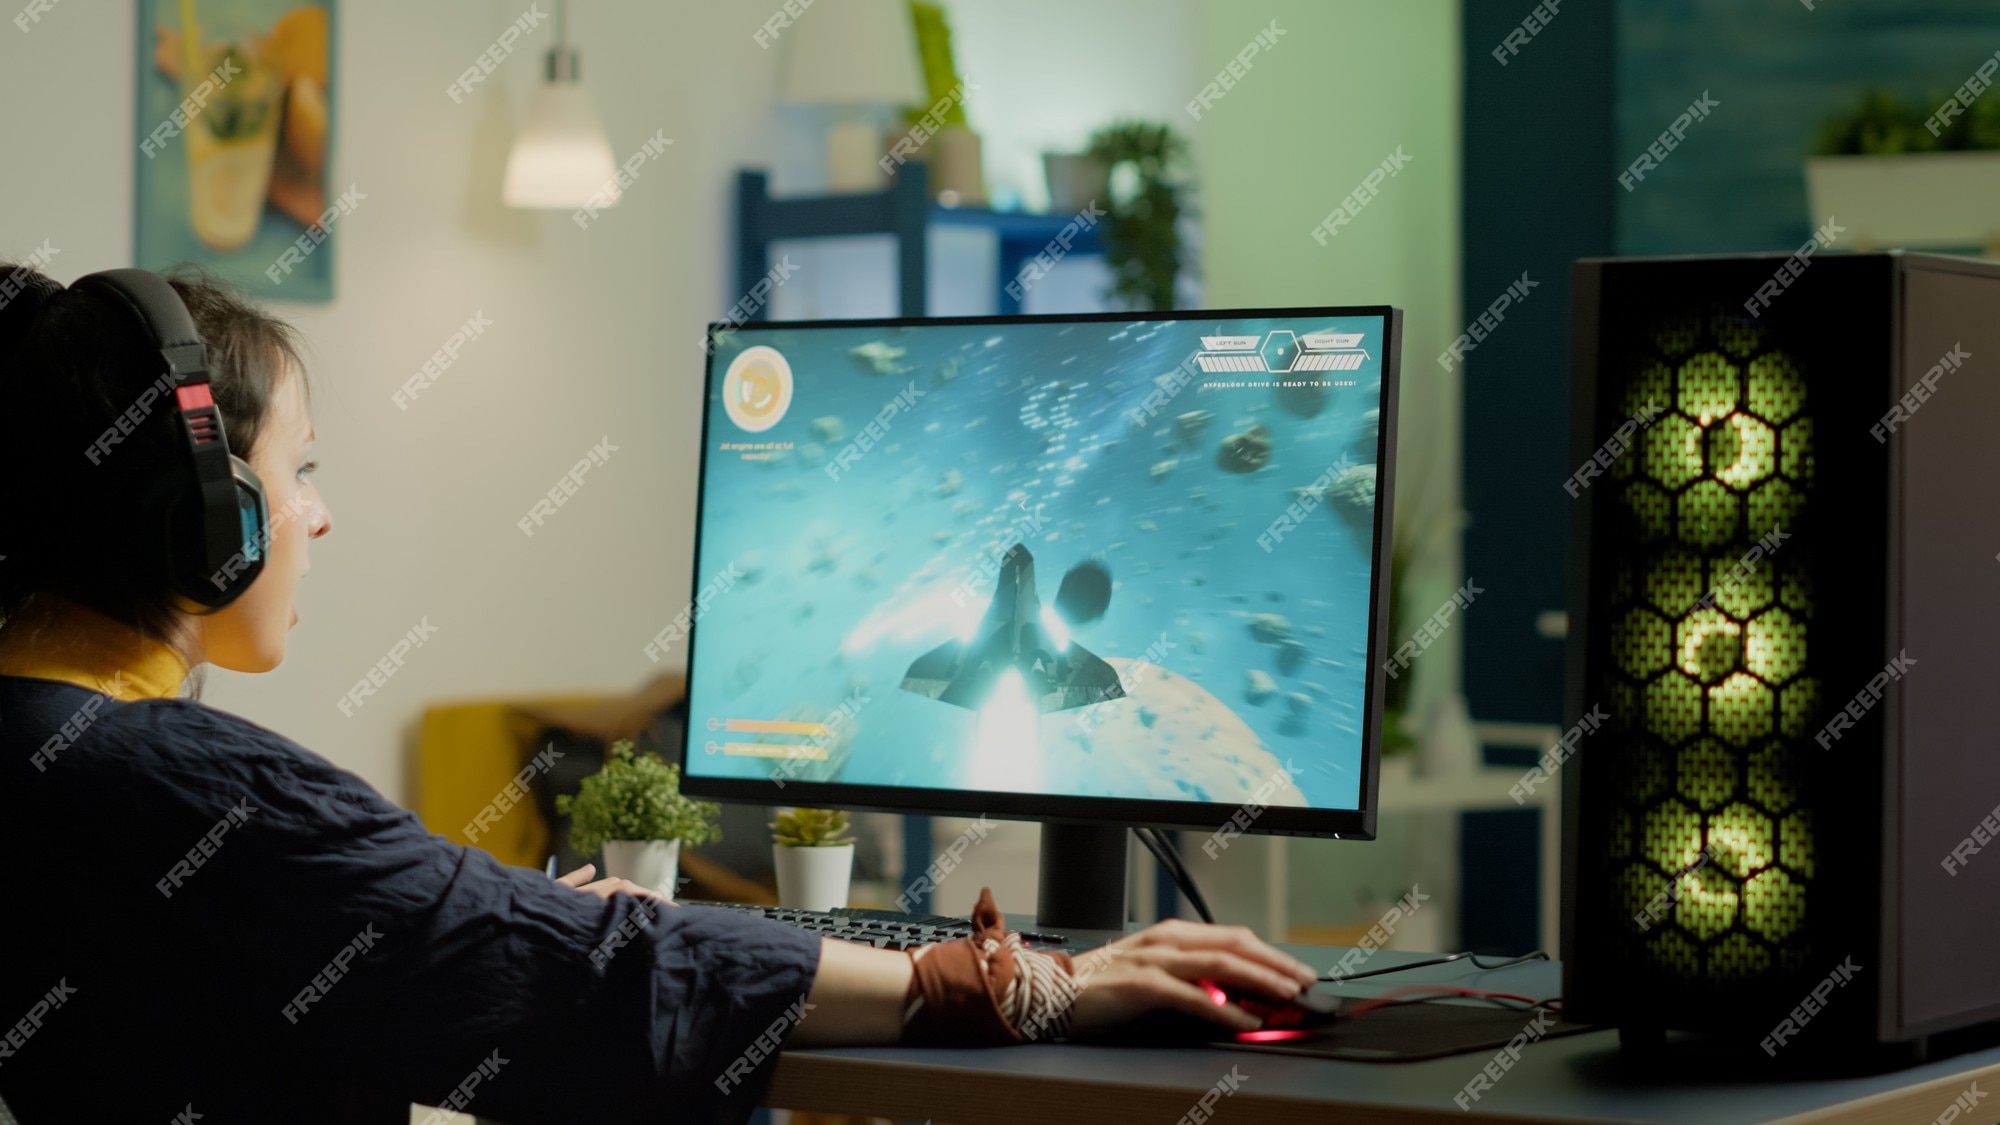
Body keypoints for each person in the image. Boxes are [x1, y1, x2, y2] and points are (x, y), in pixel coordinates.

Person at [0, 264, 1319, 1124]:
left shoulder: (71, 750)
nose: (321, 516)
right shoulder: (177, 784)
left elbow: (400, 940)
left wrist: (506, 919)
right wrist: (1011, 981)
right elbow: (596, 967)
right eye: (300, 473)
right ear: (203, 518)